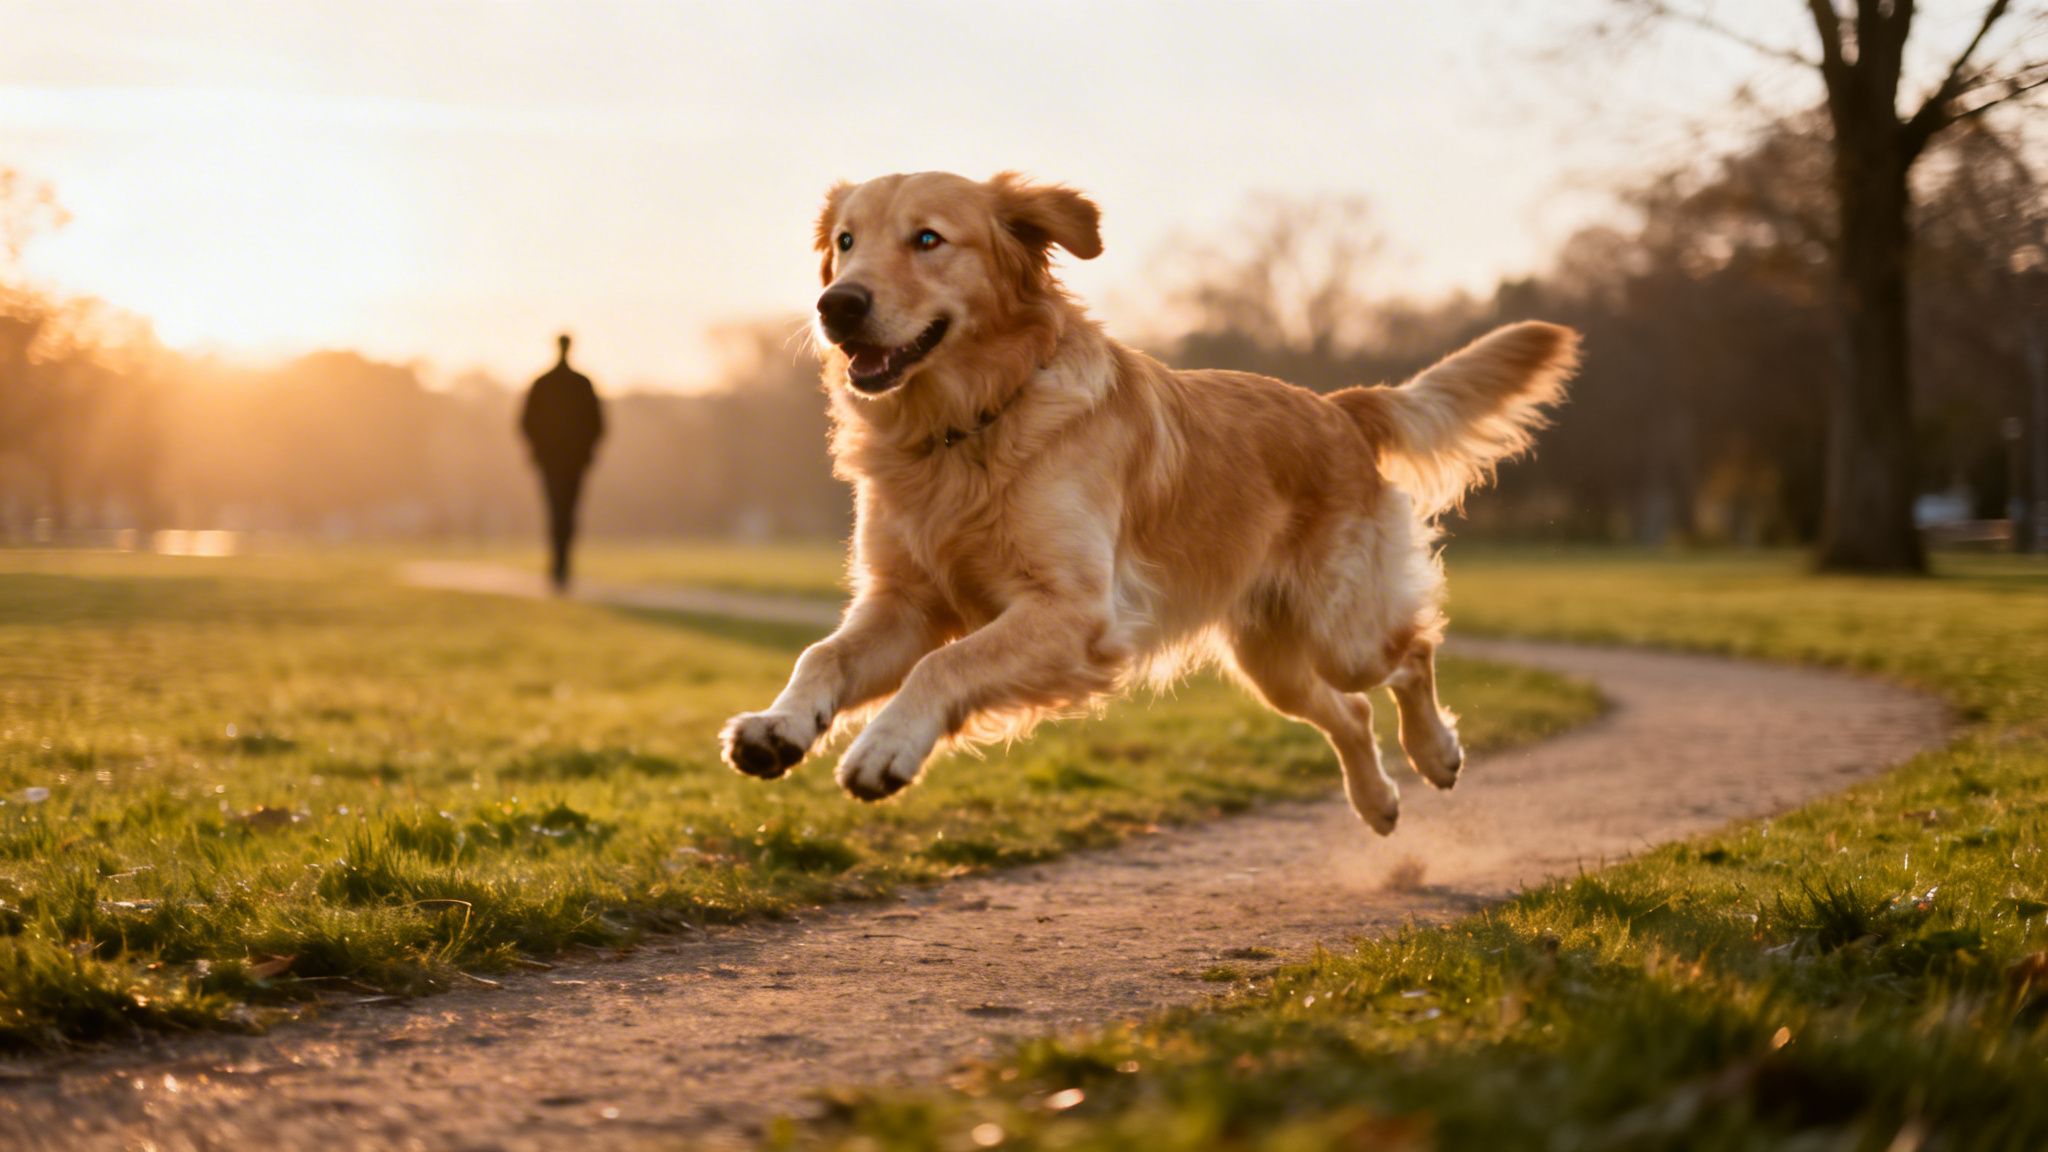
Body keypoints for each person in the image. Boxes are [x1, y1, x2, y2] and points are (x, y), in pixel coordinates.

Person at [519, 333, 605, 592]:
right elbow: (528, 423)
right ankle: (560, 565)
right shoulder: (573, 384)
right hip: (560, 460)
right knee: (563, 512)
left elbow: (596, 424)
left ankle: (561, 564)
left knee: (561, 511)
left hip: (563, 461)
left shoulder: (551, 383)